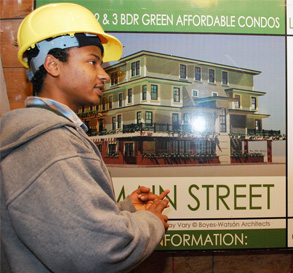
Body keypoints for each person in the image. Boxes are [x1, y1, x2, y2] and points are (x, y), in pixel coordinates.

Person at [0, 3, 170, 272]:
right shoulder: (52, 144)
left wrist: (126, 210)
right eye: (92, 61)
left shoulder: (41, 138)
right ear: (53, 64)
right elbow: (100, 251)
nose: (104, 75)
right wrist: (150, 221)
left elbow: (62, 228)